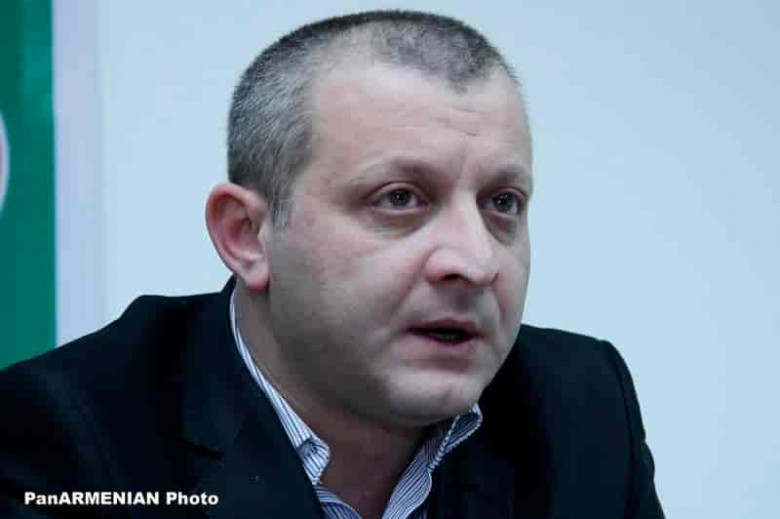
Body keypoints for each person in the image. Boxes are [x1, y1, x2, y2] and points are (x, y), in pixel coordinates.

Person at [0, 10, 664, 519]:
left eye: (502, 203)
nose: (475, 260)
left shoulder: (580, 407)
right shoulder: (63, 439)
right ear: (247, 236)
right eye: (400, 198)